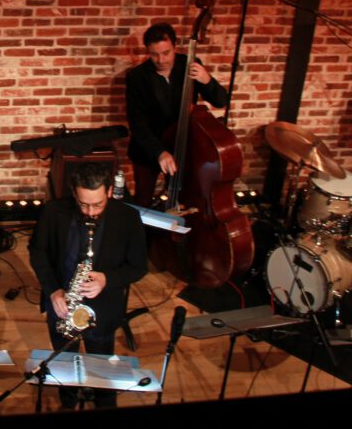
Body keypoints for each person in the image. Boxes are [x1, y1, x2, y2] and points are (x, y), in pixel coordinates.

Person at [28, 162, 148, 409]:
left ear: (110, 192)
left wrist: (107, 279)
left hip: (102, 308)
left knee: (101, 365)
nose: (91, 212)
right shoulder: (54, 211)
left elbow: (138, 267)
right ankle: (68, 400)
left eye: (98, 205)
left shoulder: (128, 218)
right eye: (84, 204)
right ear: (74, 193)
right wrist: (53, 290)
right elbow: (38, 252)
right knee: (64, 363)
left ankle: (104, 402)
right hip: (62, 304)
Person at [126, 21, 229, 207]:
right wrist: (160, 152)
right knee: (143, 200)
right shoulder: (137, 77)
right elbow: (137, 123)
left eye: (166, 53)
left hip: (183, 146)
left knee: (183, 200)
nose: (161, 60)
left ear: (174, 47)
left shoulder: (190, 65)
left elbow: (221, 101)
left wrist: (207, 80)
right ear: (147, 52)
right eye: (154, 54)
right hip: (148, 149)